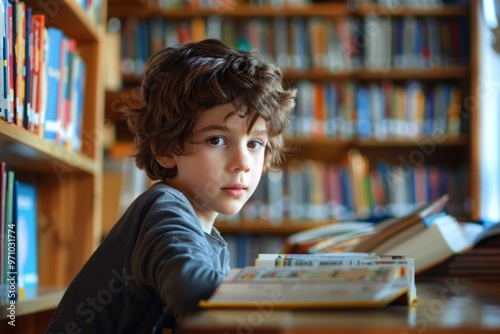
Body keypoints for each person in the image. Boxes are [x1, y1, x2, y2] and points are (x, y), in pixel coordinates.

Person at [45, 38, 296, 333]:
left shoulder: (205, 233)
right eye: (216, 140)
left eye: (255, 143)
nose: (242, 162)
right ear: (165, 150)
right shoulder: (164, 208)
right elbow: (190, 287)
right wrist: (294, 289)